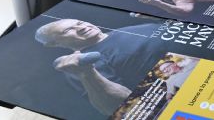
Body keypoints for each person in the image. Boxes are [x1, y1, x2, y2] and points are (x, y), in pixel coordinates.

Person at [35, 19, 169, 115]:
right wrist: (87, 73)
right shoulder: (83, 62)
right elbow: (122, 107)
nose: (81, 27)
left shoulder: (131, 28)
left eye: (79, 23)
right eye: (68, 30)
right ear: (53, 44)